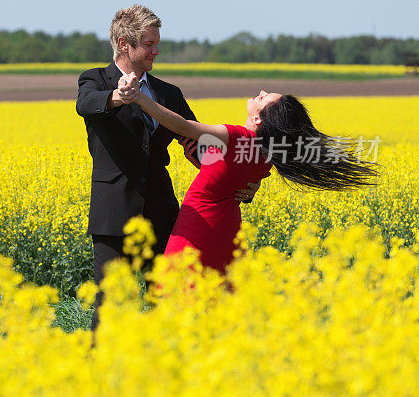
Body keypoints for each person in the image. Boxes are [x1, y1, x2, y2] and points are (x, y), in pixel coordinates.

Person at [76, 4, 259, 331]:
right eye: (148, 44)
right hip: (113, 215)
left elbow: (203, 147)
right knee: (110, 308)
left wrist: (240, 184)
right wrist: (119, 97)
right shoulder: (96, 80)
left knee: (169, 300)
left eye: (156, 43)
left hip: (162, 214)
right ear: (123, 44)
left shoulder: (167, 94)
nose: (156, 51)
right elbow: (86, 105)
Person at [115, 78, 379, 273]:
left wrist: (140, 98)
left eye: (264, 99)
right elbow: (230, 173)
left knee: (179, 293)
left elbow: (183, 126)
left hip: (198, 229)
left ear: (259, 120)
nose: (260, 92)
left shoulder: (236, 137)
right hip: (228, 231)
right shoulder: (269, 154)